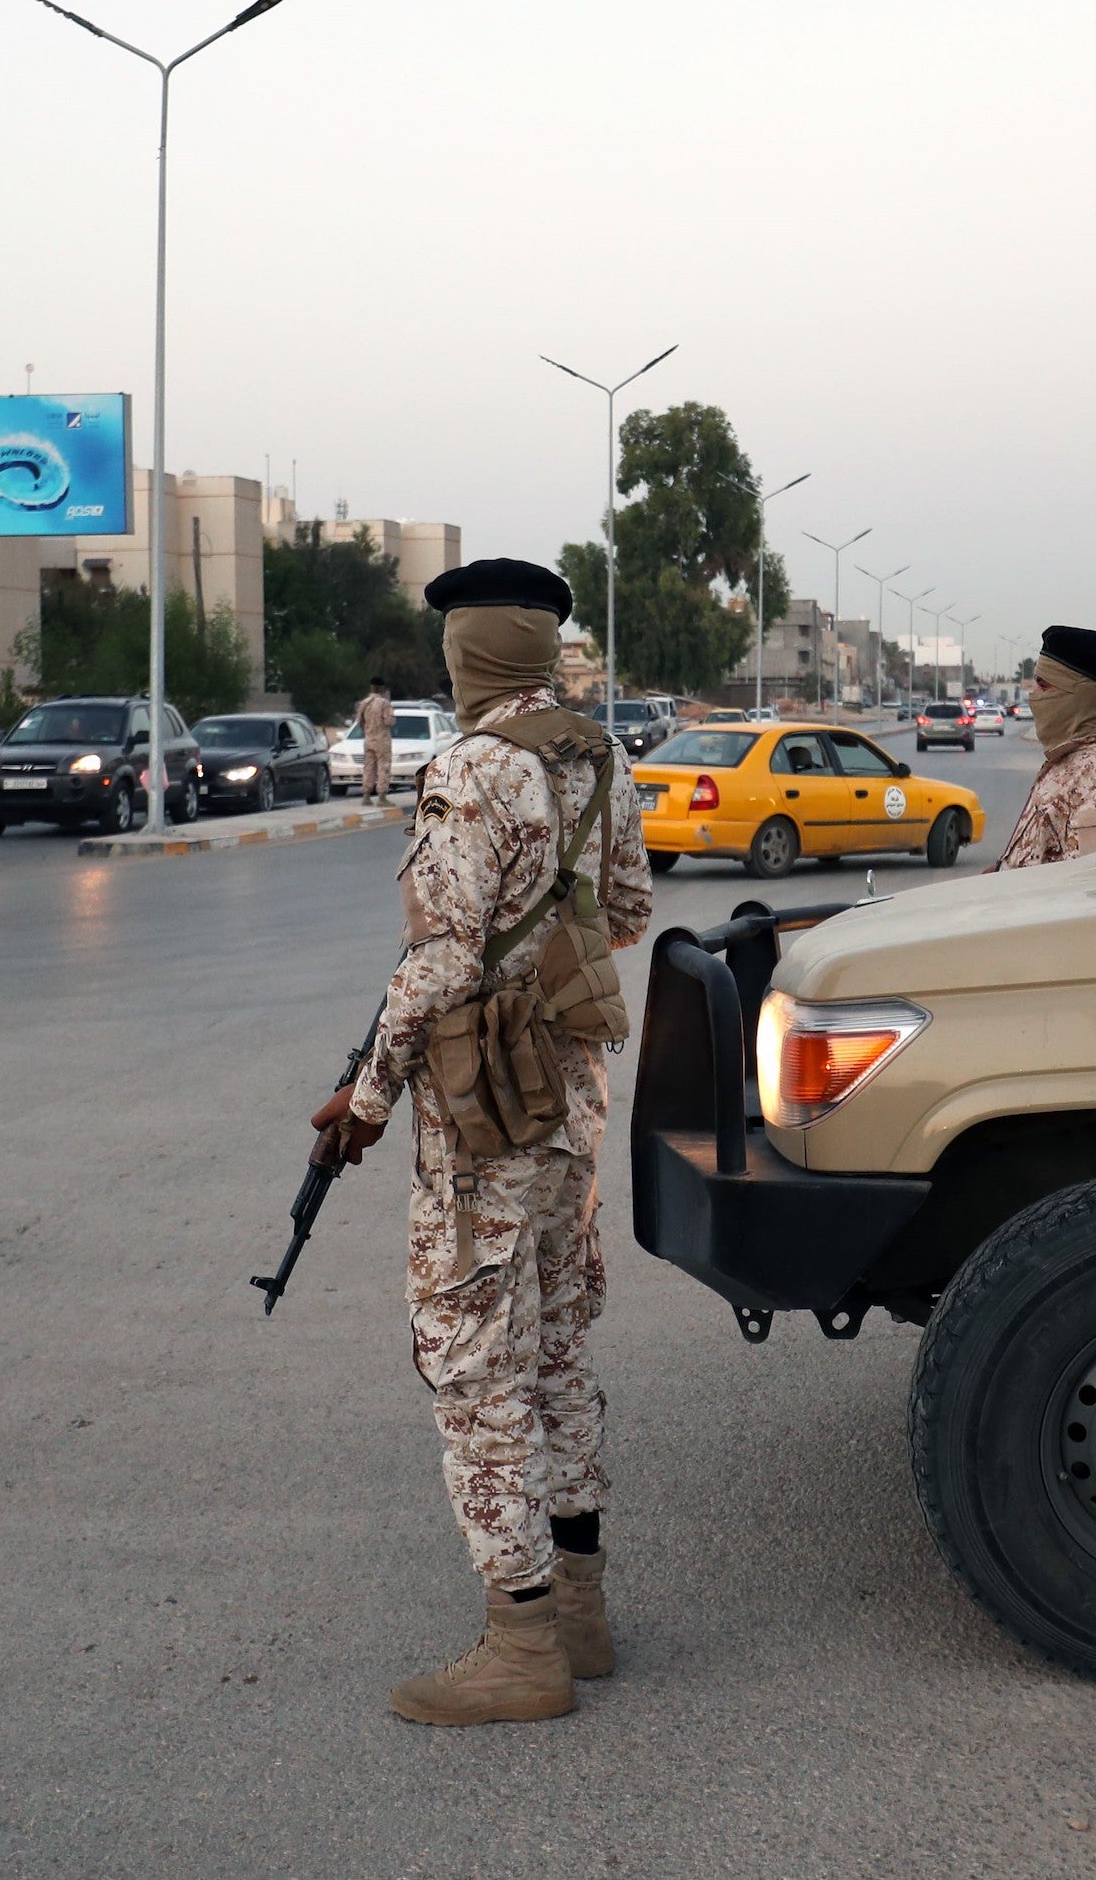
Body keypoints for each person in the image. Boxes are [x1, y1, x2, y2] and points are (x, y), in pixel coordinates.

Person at [307, 558, 654, 1727]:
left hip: (487, 1115)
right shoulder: (596, 756)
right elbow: (628, 916)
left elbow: (442, 958)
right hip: (573, 1097)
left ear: (471, 657)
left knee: (469, 1362)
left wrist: (364, 1098)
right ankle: (582, 1613)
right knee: (555, 1348)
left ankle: (520, 1644)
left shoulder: (468, 769)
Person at [991, 625, 1096, 871]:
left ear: (1081, 698)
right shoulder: (1077, 757)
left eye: (1044, 686)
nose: (1033, 696)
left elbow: (1092, 890)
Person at [355, 678, 396, 800]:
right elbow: (389, 721)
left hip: (368, 739)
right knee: (383, 767)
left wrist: (367, 730)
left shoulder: (364, 703)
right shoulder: (384, 703)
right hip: (382, 740)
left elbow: (359, 722)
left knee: (368, 767)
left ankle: (366, 795)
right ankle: (382, 796)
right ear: (382, 688)